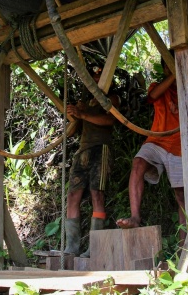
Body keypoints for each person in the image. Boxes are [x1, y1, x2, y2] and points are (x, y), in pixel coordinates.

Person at [116, 52, 187, 242]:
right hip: (156, 141)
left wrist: (181, 76)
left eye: (175, 66)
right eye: (168, 66)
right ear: (164, 69)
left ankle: (184, 245)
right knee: (138, 163)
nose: (171, 70)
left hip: (180, 146)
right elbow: (153, 95)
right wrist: (175, 73)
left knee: (181, 196)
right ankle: (135, 217)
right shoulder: (158, 86)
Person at [64, 66, 120, 258]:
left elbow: (110, 121)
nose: (97, 78)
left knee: (97, 194)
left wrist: (84, 114)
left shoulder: (112, 99)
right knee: (72, 196)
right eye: (94, 75)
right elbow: (71, 131)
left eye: (101, 75)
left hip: (100, 149)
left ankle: (95, 247)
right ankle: (71, 248)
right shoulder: (86, 102)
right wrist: (74, 113)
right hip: (83, 151)